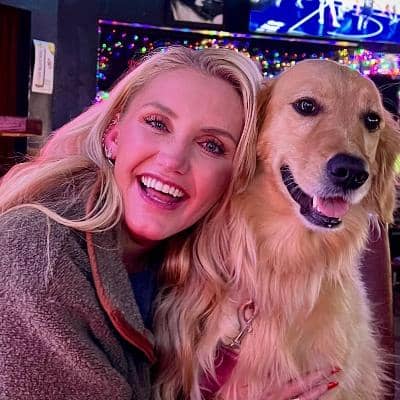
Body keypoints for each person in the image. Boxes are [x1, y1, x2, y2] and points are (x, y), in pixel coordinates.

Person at [0, 46, 339, 400]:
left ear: (236, 176)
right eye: (157, 124)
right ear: (114, 135)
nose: (173, 160)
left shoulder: (193, 268)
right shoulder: (36, 257)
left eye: (211, 145)